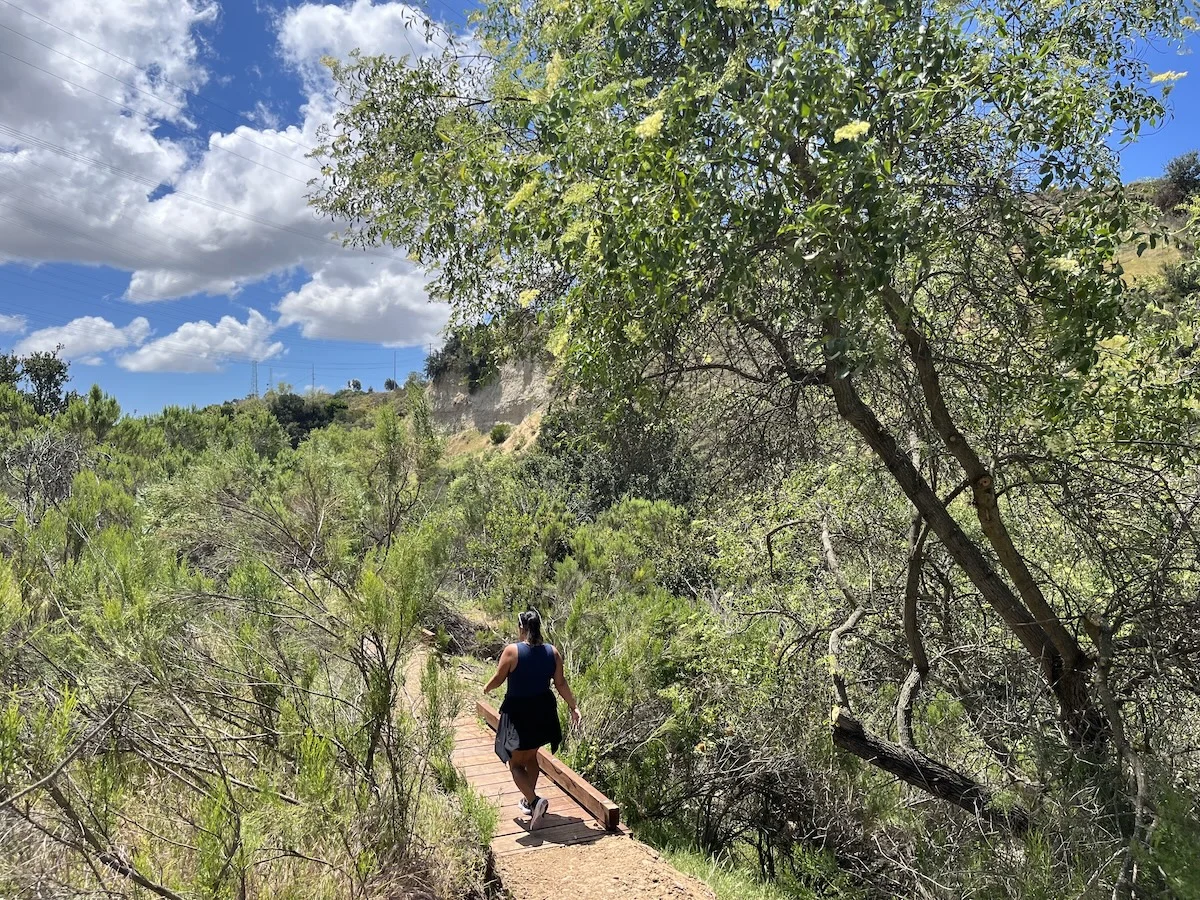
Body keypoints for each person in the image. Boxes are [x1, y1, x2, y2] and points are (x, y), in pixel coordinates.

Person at [483, 608, 581, 830]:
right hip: (543, 711)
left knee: (515, 763)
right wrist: (574, 707)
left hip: (519, 712)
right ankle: (528, 801)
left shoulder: (512, 652)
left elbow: (499, 678)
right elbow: (561, 684)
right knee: (531, 758)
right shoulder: (552, 652)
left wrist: (487, 687)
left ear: (522, 628)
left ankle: (536, 802)